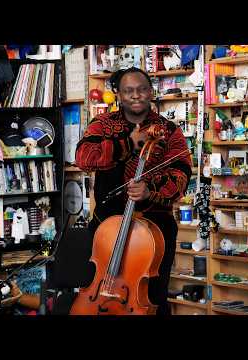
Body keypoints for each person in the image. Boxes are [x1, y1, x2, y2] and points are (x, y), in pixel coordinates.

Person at [75, 67, 192, 315]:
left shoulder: (168, 130)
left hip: (154, 230)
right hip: (106, 229)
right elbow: (84, 158)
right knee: (99, 287)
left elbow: (182, 174)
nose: (136, 95)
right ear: (118, 94)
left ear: (150, 92)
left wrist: (150, 190)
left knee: (152, 295)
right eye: (128, 91)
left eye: (141, 89)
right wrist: (128, 144)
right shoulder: (102, 124)